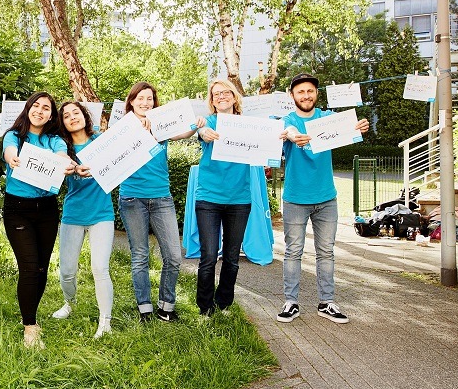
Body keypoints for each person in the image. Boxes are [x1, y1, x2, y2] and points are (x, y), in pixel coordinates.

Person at [276, 73, 369, 324]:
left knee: (326, 252)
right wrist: (293, 135)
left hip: (327, 198)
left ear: (316, 93)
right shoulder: (287, 120)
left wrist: (358, 126)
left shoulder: (326, 118)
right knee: (293, 252)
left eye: (310, 91)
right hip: (295, 199)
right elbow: (288, 129)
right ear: (292, 95)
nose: (306, 96)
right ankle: (290, 302)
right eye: (300, 92)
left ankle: (327, 303)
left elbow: (348, 127)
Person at [118, 82, 201, 323]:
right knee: (140, 255)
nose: (145, 103)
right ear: (131, 101)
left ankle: (166, 306)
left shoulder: (160, 124)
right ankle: (144, 308)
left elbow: (184, 132)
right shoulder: (123, 127)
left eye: (149, 99)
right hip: (132, 198)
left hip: (162, 197)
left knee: (174, 256)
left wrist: (196, 124)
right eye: (140, 98)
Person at [2, 92, 73, 349]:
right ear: (28, 108)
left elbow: (63, 156)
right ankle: (29, 326)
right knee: (30, 267)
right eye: (36, 106)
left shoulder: (54, 140)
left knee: (41, 268)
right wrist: (12, 158)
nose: (40, 111)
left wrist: (68, 164)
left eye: (46, 108)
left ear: (51, 115)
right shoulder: (14, 136)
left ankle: (32, 311)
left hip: (46, 209)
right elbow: (9, 152)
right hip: (17, 208)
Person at [194, 78, 266, 316]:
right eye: (216, 94)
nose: (221, 96)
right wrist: (203, 132)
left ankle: (224, 303)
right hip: (209, 199)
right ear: (212, 101)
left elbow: (265, 144)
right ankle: (205, 307)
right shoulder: (209, 121)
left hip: (239, 200)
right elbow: (201, 131)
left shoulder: (249, 125)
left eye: (226, 93)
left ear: (235, 97)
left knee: (232, 257)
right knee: (208, 256)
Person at [53, 100, 115, 338]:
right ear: (63, 123)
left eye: (75, 113)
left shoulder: (101, 141)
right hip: (73, 214)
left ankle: (105, 321)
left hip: (101, 214)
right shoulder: (61, 147)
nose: (72, 117)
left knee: (100, 268)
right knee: (67, 271)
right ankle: (70, 303)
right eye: (66, 116)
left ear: (84, 115)